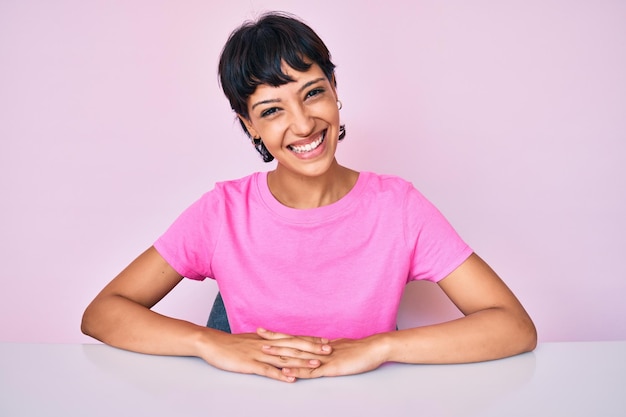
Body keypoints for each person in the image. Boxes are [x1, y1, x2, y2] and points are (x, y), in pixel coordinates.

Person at [81, 12, 537, 383]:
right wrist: (210, 343)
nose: (301, 125)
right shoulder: (222, 213)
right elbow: (103, 313)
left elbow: (513, 326)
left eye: (313, 93)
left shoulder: (398, 207)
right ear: (248, 125)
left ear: (335, 91)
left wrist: (378, 348)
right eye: (272, 110)